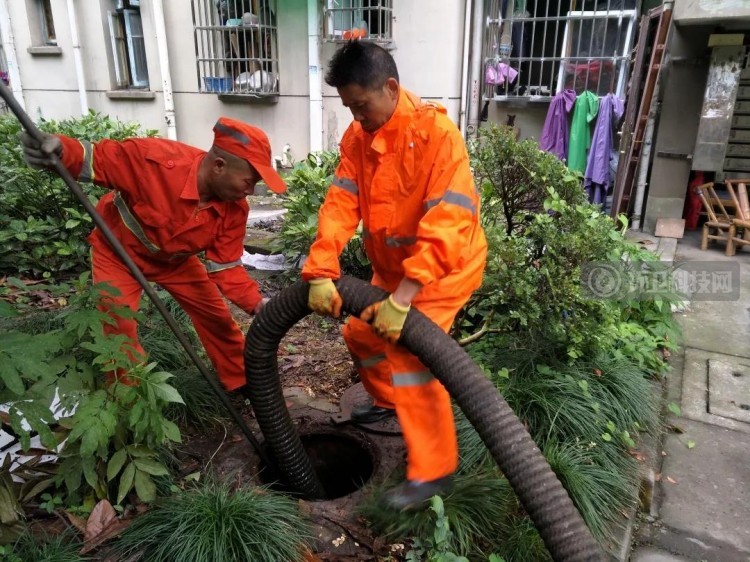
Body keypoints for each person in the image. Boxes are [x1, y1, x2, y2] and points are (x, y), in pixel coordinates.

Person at [303, 42, 487, 510]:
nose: (356, 117)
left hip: (442, 272)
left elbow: (449, 222)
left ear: (389, 88)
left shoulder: (437, 137)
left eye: (361, 106)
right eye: (349, 108)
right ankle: (388, 403)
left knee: (410, 355)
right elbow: (341, 204)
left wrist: (404, 297)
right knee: (362, 334)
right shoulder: (359, 139)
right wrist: (322, 268)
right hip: (394, 273)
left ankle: (434, 472)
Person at [20, 117, 286, 395]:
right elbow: (96, 158)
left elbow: (226, 265)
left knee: (217, 317)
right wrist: (60, 150)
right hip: (118, 254)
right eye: (249, 181)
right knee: (117, 323)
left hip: (174, 262)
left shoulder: (235, 209)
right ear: (219, 166)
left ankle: (242, 382)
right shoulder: (155, 162)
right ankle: (132, 397)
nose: (250, 191)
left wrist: (257, 304)